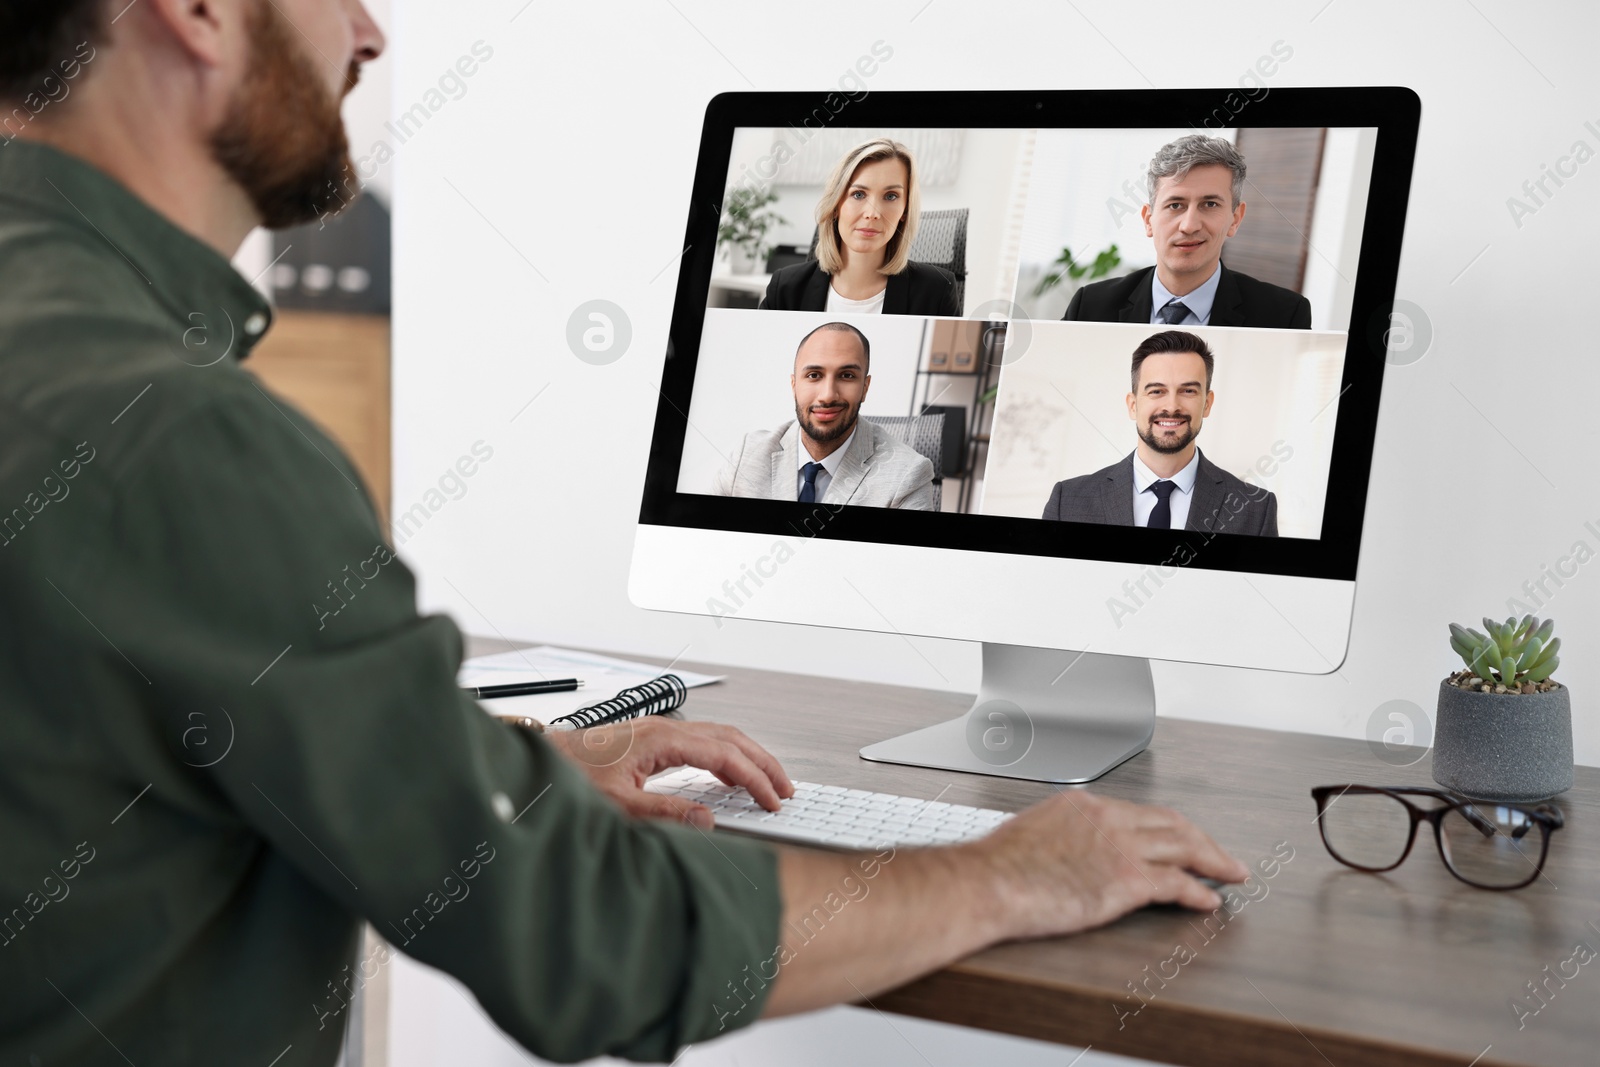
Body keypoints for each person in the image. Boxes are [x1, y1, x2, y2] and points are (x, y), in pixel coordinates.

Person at [0, 3, 1249, 1063]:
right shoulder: (174, 433)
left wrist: (467, 757)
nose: (372, 32)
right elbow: (577, 934)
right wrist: (1011, 872)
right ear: (200, 11)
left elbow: (91, 729)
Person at [1043, 331, 1279, 536]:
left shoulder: (1255, 509)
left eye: (1188, 390)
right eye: (1157, 391)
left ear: (1207, 404)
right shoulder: (1068, 500)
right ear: (1133, 405)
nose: (1172, 406)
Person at [1063, 135, 1313, 329]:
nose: (1189, 225)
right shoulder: (1090, 307)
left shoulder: (1284, 315)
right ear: (1148, 220)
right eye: (1175, 205)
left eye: (1210, 204)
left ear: (1235, 219)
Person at [713, 322, 935, 508]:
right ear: (794, 385)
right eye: (814, 375)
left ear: (865, 388)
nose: (828, 396)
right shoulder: (747, 454)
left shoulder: (908, 476)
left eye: (847, 375)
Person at [760, 137, 961, 316]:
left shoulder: (937, 291)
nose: (872, 213)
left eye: (891, 196)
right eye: (858, 194)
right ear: (836, 205)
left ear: (905, 211)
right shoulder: (785, 287)